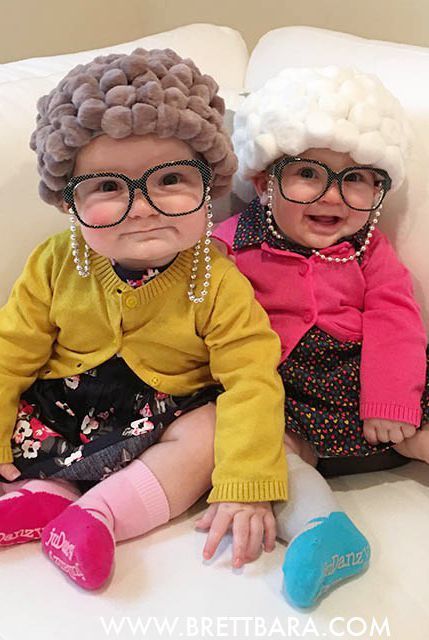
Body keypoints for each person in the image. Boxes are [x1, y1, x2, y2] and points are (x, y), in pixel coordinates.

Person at [0, 48, 287, 591]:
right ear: (69, 202)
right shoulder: (54, 263)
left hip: (162, 421)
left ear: (211, 187)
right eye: (108, 186)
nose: (143, 205)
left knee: (209, 431)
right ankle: (42, 501)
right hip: (61, 411)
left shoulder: (219, 279)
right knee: (22, 418)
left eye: (170, 179)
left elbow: (251, 378)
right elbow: (9, 352)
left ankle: (101, 516)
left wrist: (246, 481)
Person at [214, 66, 429, 608]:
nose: (334, 196)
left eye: (358, 178)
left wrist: (390, 400)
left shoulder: (369, 249)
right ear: (264, 181)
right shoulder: (228, 245)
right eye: (309, 173)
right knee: (270, 452)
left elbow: (395, 317)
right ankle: (324, 531)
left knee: (418, 428)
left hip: (371, 388)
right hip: (285, 393)